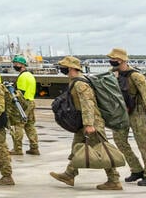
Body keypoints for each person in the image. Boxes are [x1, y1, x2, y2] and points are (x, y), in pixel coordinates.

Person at [51, 55, 124, 190]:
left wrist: (89, 124)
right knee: (77, 147)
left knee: (102, 151)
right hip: (84, 123)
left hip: (92, 123)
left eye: (64, 67)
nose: (61, 69)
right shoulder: (75, 81)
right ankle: (69, 174)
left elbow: (88, 104)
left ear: (72, 68)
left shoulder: (80, 84)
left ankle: (114, 180)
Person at [110, 47, 146, 186]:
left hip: (137, 112)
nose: (111, 61)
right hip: (121, 113)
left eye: (114, 59)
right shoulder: (112, 74)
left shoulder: (136, 76)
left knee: (143, 143)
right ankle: (136, 169)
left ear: (122, 60)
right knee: (119, 140)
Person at [9, 55, 40, 155]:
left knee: (18, 125)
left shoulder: (22, 76)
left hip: (23, 104)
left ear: (22, 65)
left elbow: (20, 93)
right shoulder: (30, 75)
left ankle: (17, 149)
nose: (14, 65)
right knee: (30, 126)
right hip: (31, 102)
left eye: (16, 63)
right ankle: (34, 147)